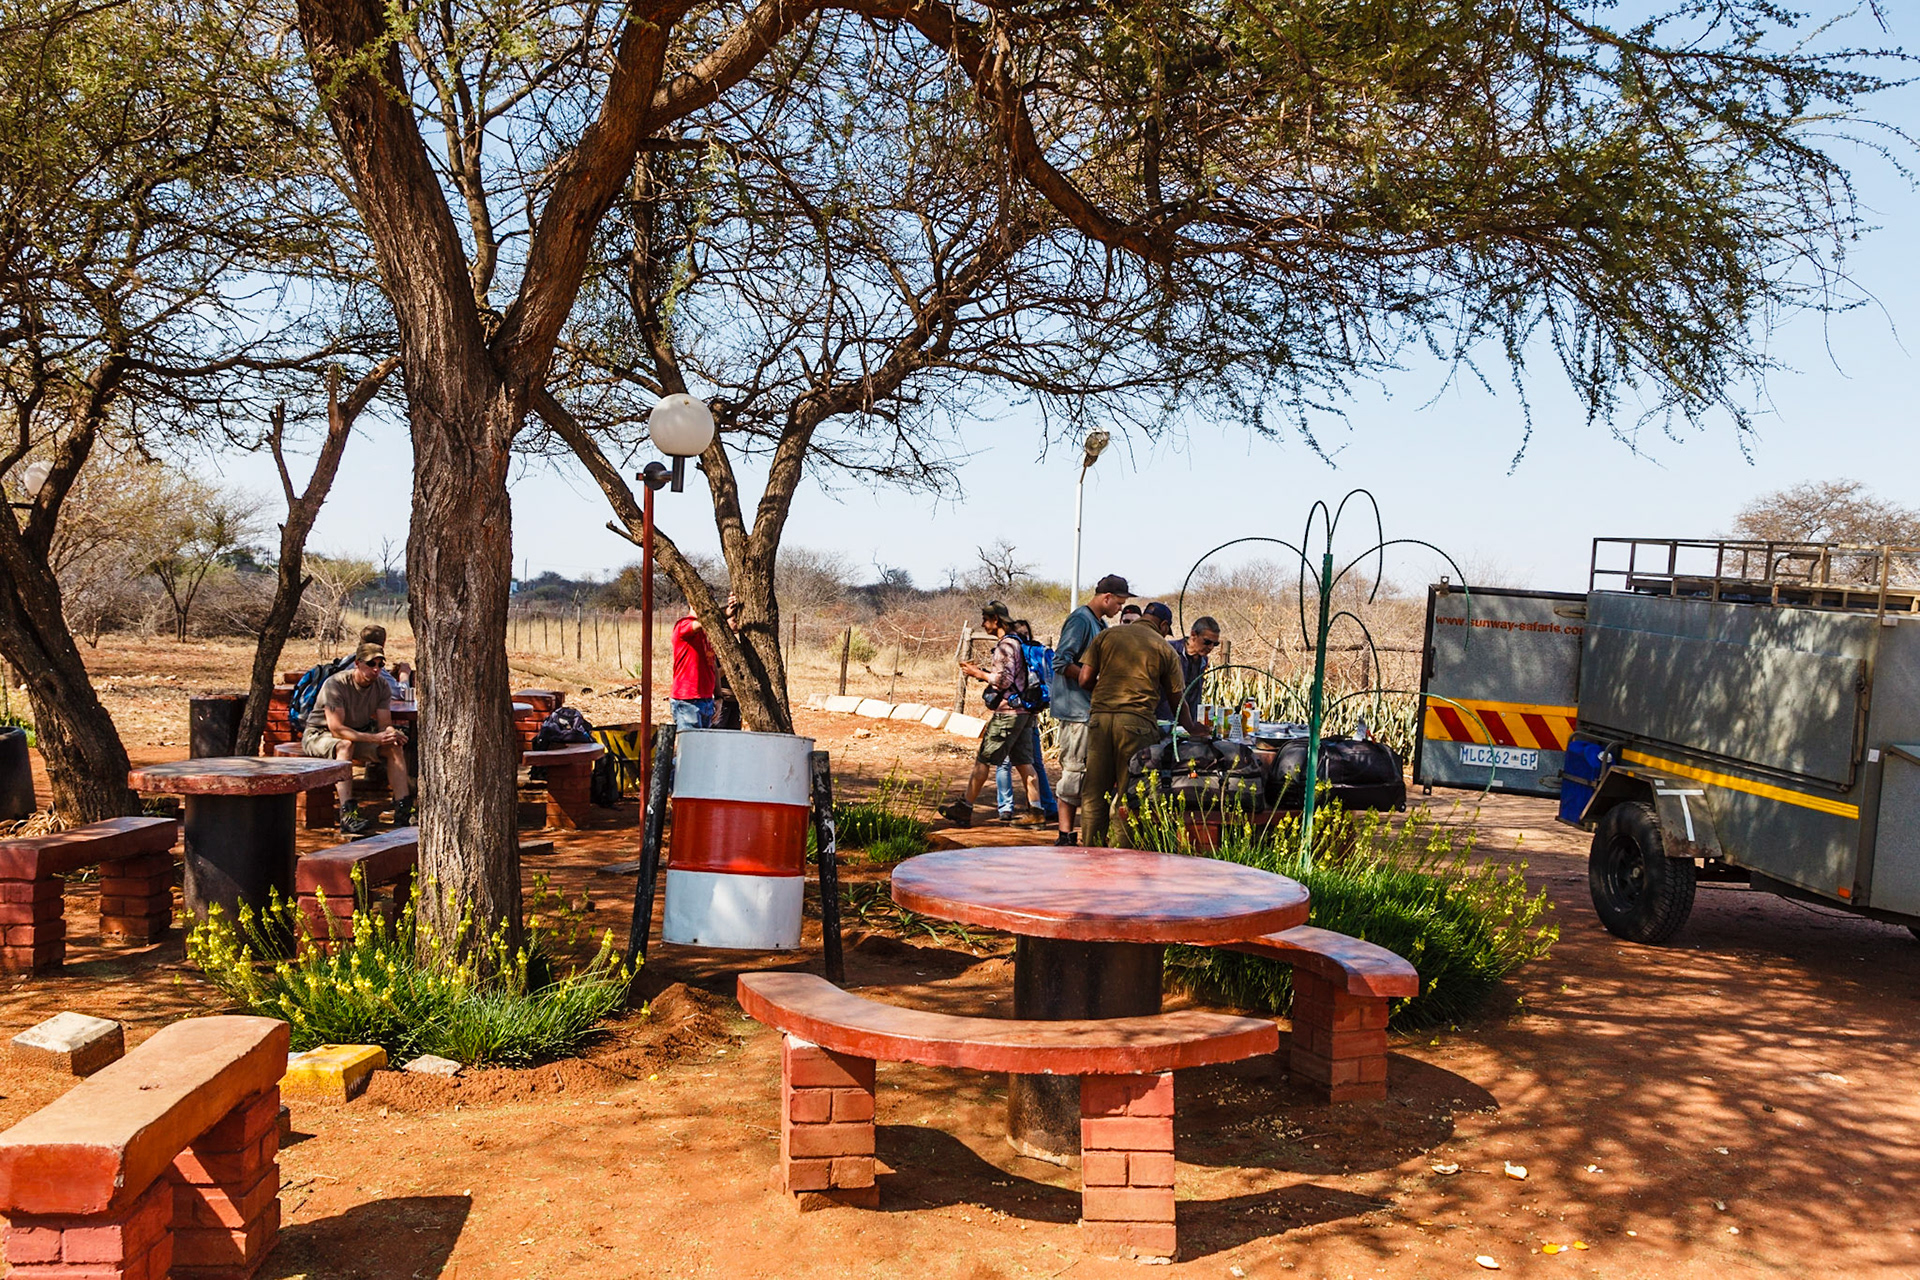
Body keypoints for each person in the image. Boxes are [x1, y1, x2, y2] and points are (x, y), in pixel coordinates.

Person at [1078, 612, 1210, 848]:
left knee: (1093, 793)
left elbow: (1084, 679)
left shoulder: (1106, 636)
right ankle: (1121, 856)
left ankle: (1090, 851)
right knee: (1130, 794)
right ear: (1163, 625)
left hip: (1100, 721)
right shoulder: (1163, 647)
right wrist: (1191, 727)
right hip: (1136, 724)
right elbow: (1176, 697)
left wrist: (1108, 694)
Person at [940, 601, 1042, 828]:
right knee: (1025, 763)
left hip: (1008, 713)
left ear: (996, 620)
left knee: (984, 760)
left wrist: (978, 673)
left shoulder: (1006, 646)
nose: (983, 624)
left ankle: (964, 808)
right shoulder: (1019, 641)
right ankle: (1036, 812)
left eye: (986, 620)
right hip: (1024, 712)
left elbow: (1004, 680)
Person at [1050, 574, 1131, 846]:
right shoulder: (1081, 620)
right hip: (1076, 711)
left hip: (1090, 712)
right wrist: (1094, 682)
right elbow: (1061, 662)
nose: (1119, 608)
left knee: (1089, 775)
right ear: (1106, 597)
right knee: (1074, 772)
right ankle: (1065, 836)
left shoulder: (1099, 623)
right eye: (1118, 603)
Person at [302, 642, 413, 834]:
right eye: (371, 664)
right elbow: (337, 729)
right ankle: (348, 813)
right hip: (321, 734)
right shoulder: (336, 684)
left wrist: (391, 733)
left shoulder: (381, 686)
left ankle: (403, 809)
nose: (376, 669)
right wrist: (375, 738)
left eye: (380, 665)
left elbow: (384, 724)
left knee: (394, 746)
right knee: (345, 745)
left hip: (359, 734)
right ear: (357, 663)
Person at [995, 620, 1058, 825]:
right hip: (1032, 711)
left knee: (1004, 762)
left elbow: (1004, 682)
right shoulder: (1035, 650)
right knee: (1036, 762)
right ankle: (1048, 805)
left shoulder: (1012, 652)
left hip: (1014, 712)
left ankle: (1006, 807)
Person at [1162, 615, 1221, 723]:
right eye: (1207, 642)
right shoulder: (1169, 650)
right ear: (1193, 635)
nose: (1211, 647)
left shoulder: (1203, 660)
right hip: (1165, 720)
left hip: (1189, 722)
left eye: (1215, 644)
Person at [670, 608, 720, 730]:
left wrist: (719, 697)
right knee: (691, 741)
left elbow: (713, 666)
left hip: (707, 700)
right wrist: (725, 612)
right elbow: (704, 622)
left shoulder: (708, 632)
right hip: (687, 701)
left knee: (703, 742)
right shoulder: (683, 625)